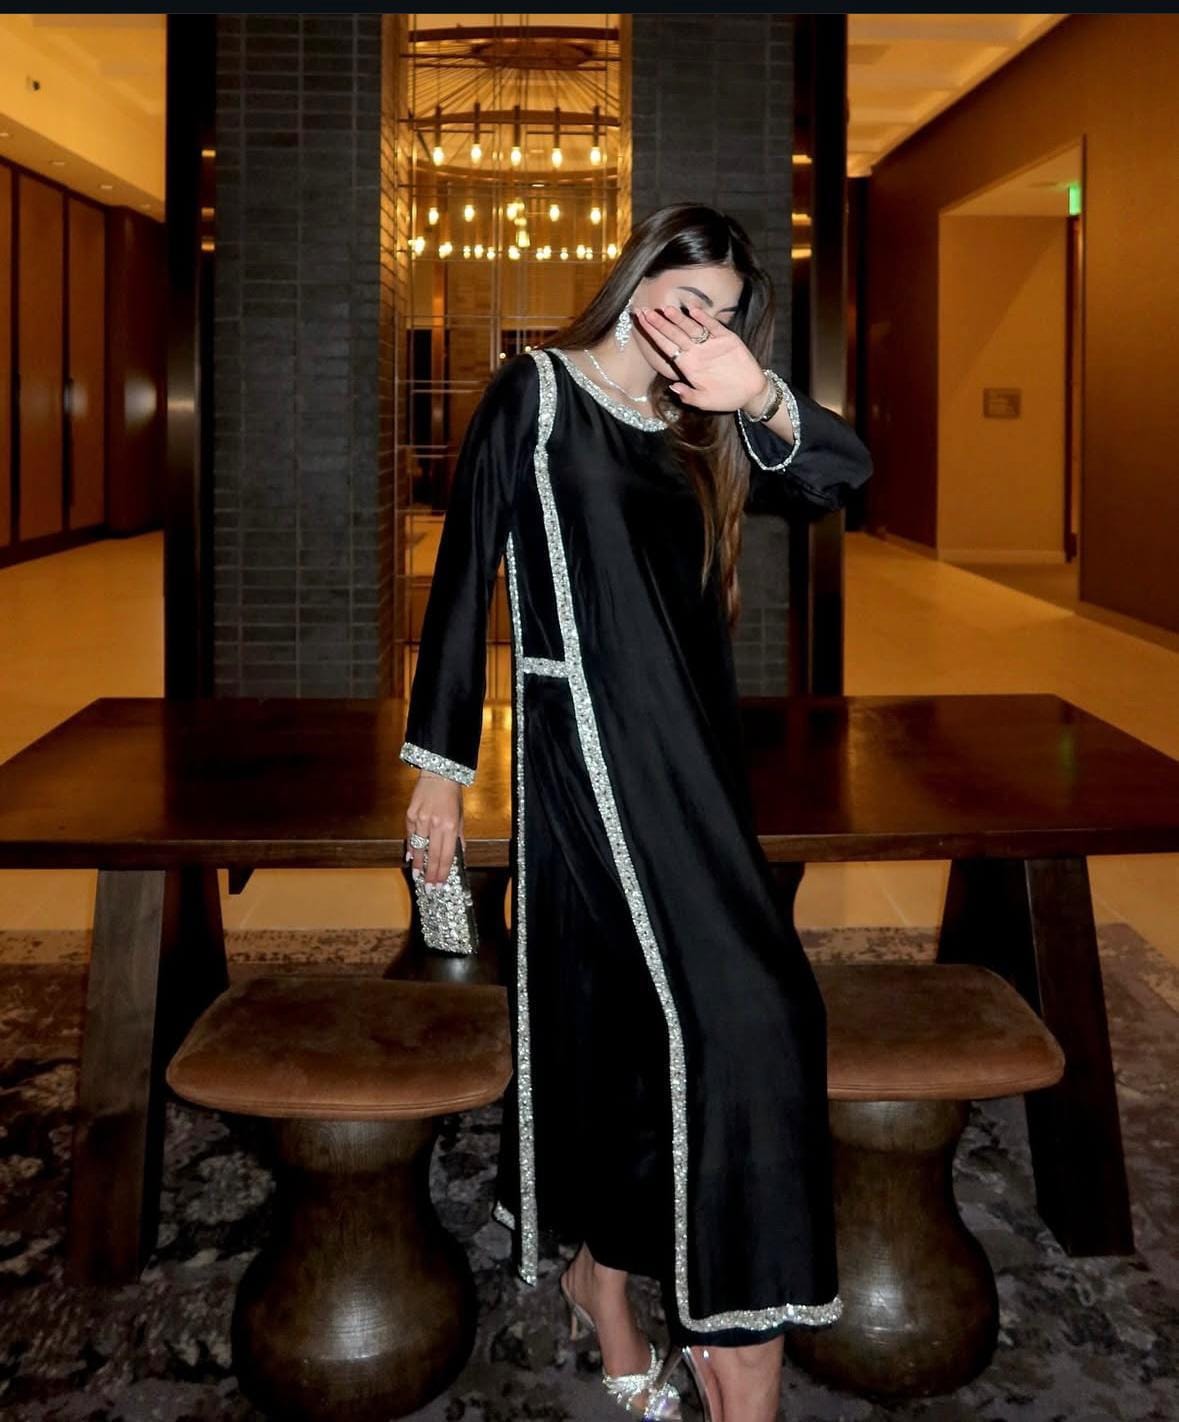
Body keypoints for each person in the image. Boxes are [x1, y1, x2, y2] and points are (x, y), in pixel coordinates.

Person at [401, 203, 873, 1422]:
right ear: (637, 279)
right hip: (590, 765)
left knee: (697, 1026)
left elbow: (844, 476)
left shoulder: (705, 423)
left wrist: (760, 396)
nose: (695, 325)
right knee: (726, 1020)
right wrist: (439, 764)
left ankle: (613, 1281)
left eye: (722, 315)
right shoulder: (537, 394)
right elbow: (465, 572)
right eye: (684, 297)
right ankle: (710, 1346)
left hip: (698, 768)